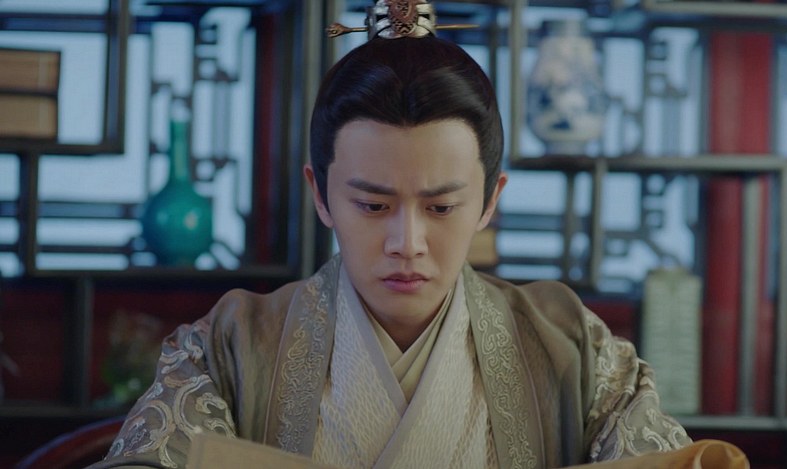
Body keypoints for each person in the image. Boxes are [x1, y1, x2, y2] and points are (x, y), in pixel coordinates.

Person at [91, 1, 691, 467]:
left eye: (441, 207)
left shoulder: (574, 350)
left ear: (490, 200)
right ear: (320, 194)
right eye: (373, 205)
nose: (407, 241)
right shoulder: (229, 348)